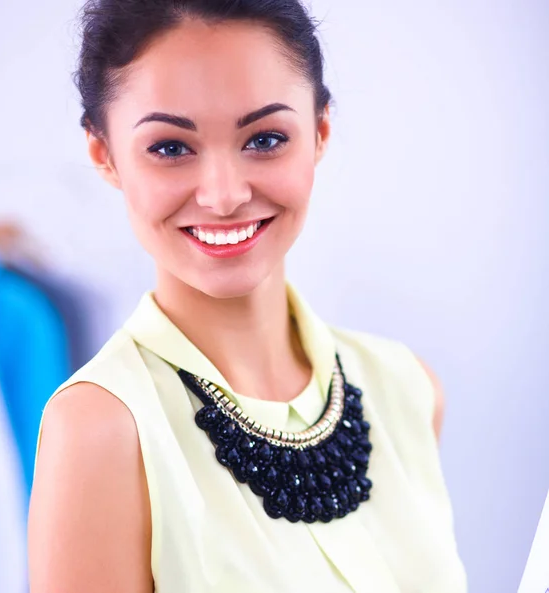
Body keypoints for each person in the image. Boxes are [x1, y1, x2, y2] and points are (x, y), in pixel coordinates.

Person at [28, 1, 468, 592]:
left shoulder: (407, 388)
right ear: (104, 154)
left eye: (264, 139)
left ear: (320, 134)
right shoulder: (102, 430)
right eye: (170, 147)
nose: (224, 194)